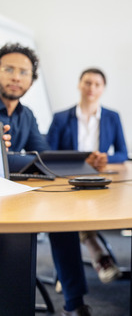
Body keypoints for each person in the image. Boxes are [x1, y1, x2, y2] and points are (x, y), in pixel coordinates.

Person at [0, 43, 92, 316]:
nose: (16, 77)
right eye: (8, 69)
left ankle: (74, 303)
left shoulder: (26, 115)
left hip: (18, 196)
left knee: (63, 219)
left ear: (32, 79)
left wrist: (84, 161)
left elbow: (43, 154)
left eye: (24, 72)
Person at [47, 67, 127, 284]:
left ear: (103, 89)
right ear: (79, 85)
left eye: (97, 84)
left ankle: (68, 272)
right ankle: (97, 255)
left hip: (99, 180)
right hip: (67, 181)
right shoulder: (61, 117)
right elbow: (47, 153)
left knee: (85, 208)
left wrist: (105, 159)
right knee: (77, 208)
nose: (91, 88)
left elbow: (123, 152)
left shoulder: (112, 117)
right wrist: (79, 161)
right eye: (87, 83)